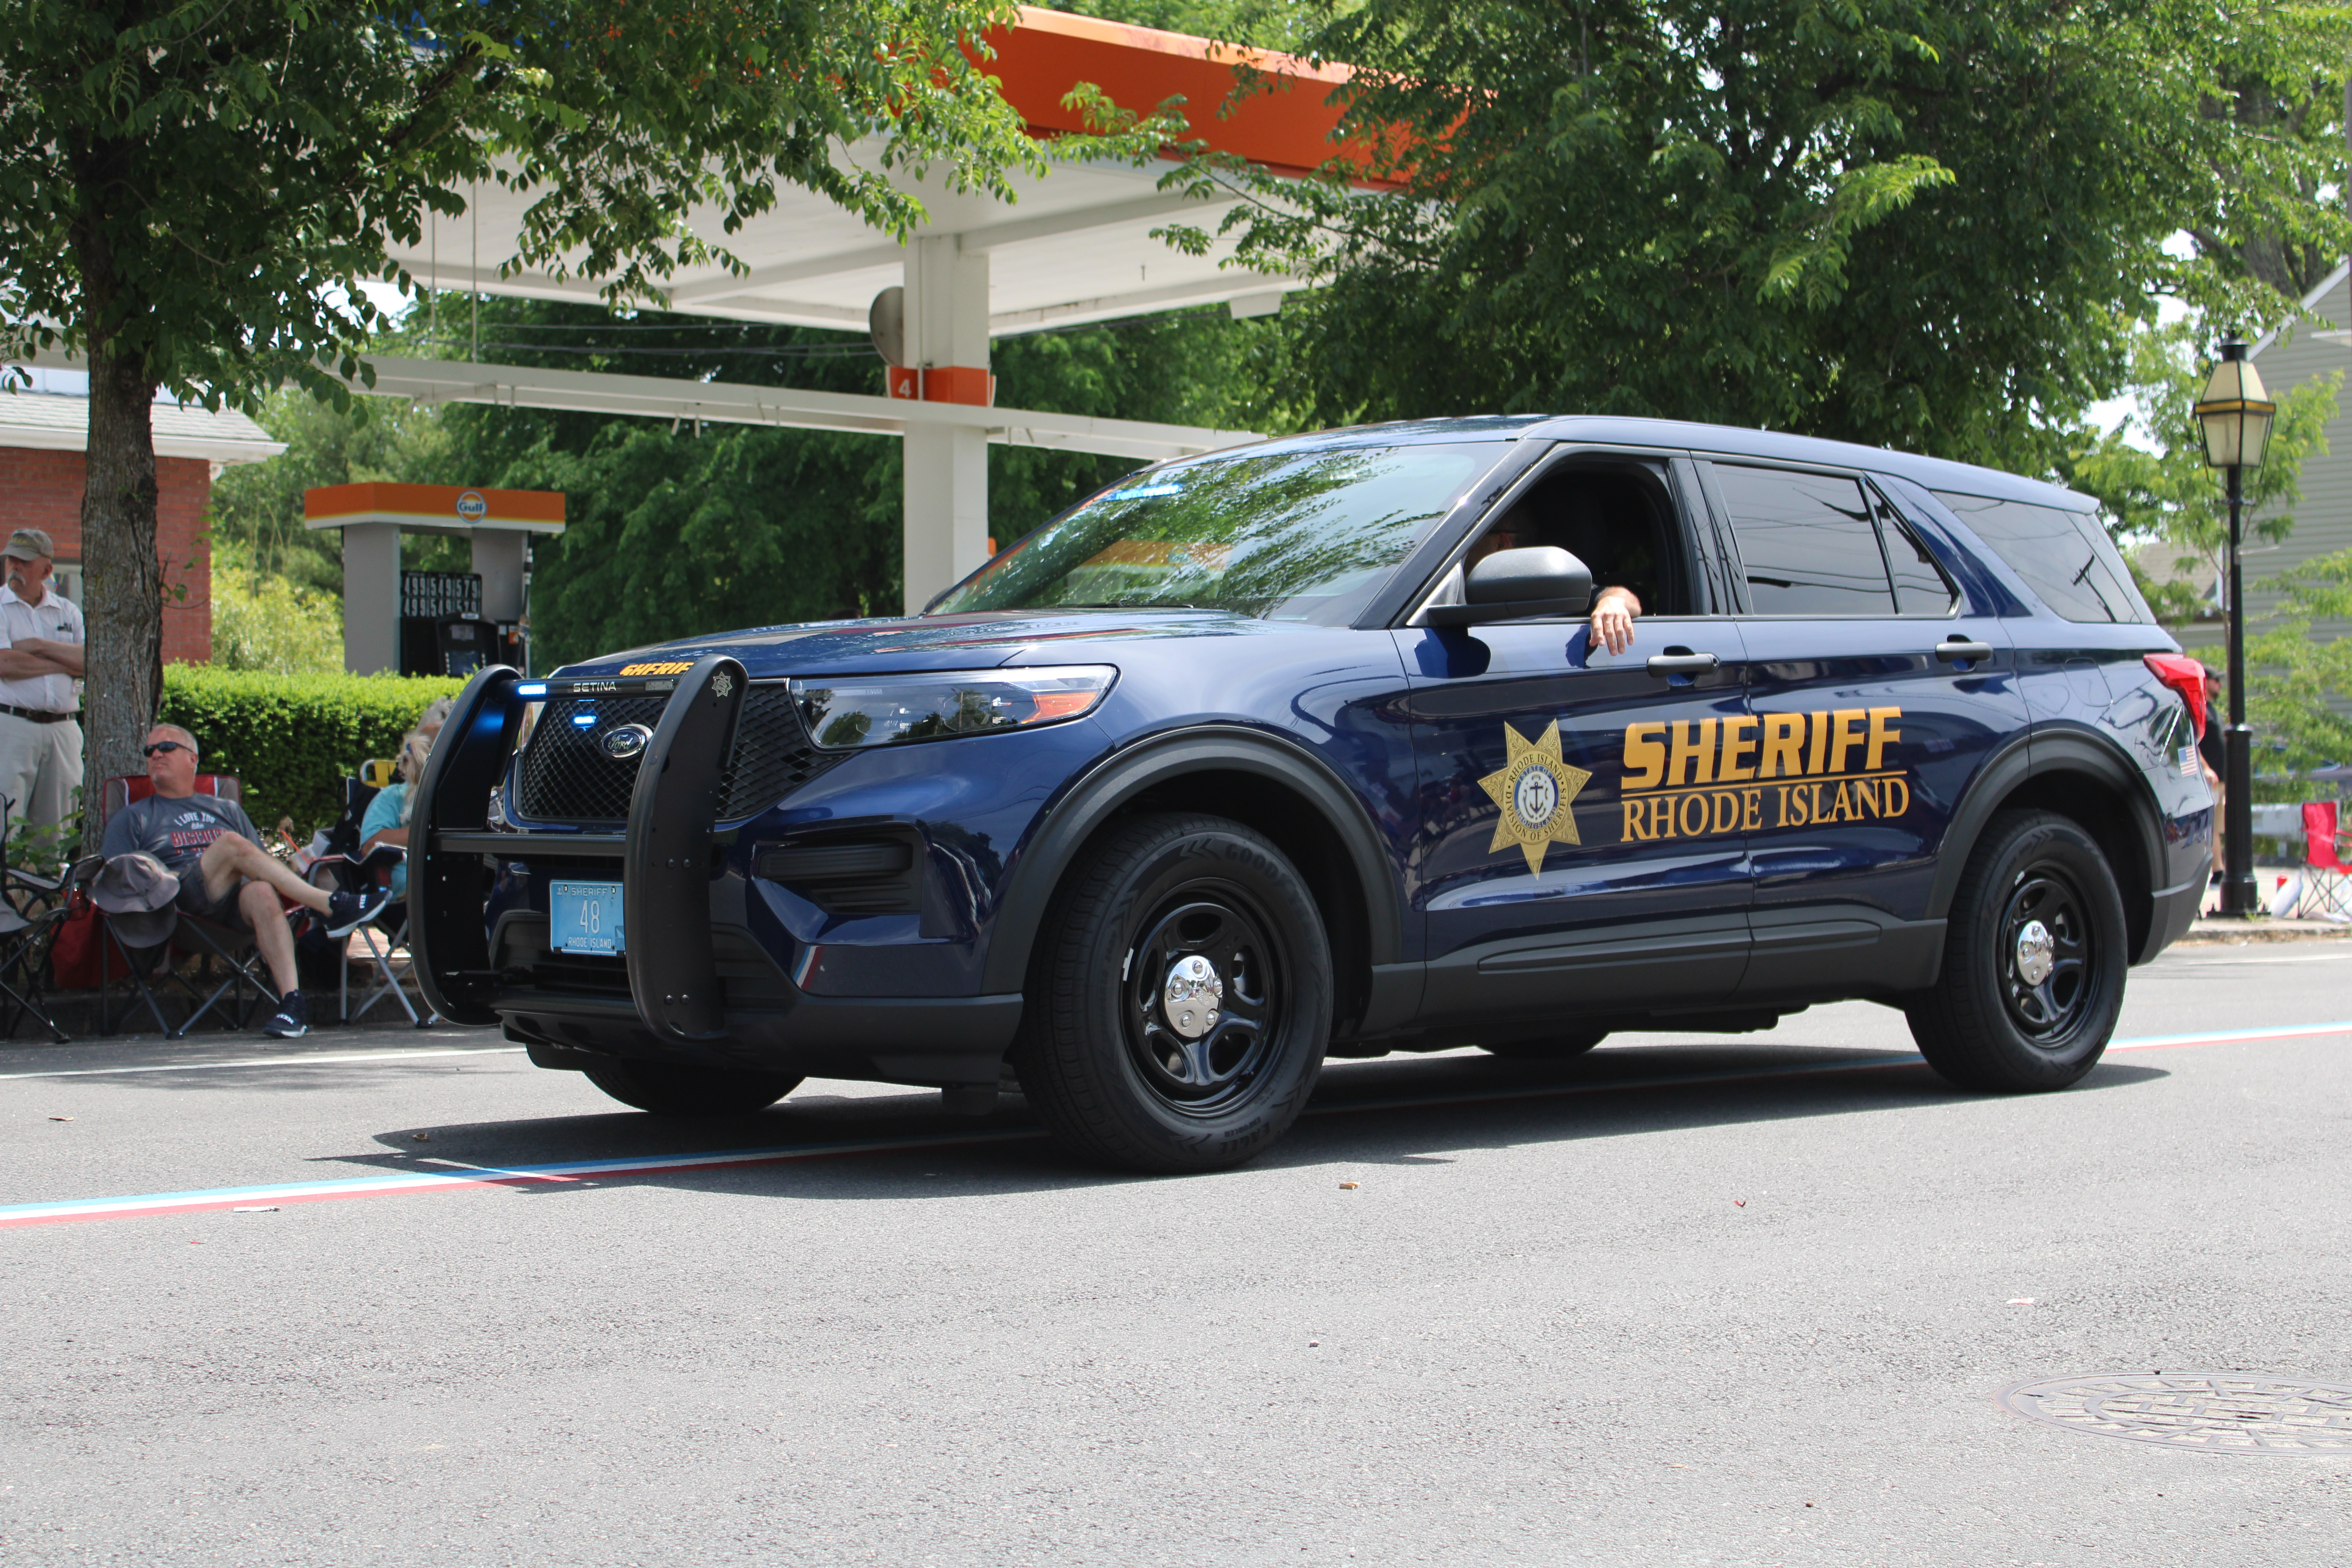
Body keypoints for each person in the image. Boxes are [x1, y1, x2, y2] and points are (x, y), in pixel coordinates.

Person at [99, 723, 389, 1038]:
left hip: (232, 911)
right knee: (232, 845)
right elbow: (116, 876)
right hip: (176, 904)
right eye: (149, 751)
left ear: (193, 758)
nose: (155, 754)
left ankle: (292, 1005)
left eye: (166, 748)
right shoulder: (134, 816)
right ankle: (331, 905)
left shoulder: (227, 809)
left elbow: (258, 866)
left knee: (263, 891)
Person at [0, 528, 87, 842]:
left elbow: (91, 663)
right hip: (10, 725)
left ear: (47, 569)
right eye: (12, 559)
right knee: (4, 823)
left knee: (57, 828)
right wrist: (65, 664)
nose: (15, 567)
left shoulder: (68, 612)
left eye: (24, 561)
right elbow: (5, 665)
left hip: (63, 729)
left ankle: (49, 892)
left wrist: (35, 644)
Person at [1466, 517, 1644, 655]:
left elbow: (1616, 596)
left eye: (1473, 535)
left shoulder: (1548, 587)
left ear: (1501, 542)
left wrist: (1613, 602)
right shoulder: (1453, 586)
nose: (1465, 546)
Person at [356, 728, 433, 898]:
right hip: (409, 881)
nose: (400, 770)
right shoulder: (393, 796)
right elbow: (369, 846)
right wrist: (422, 831)